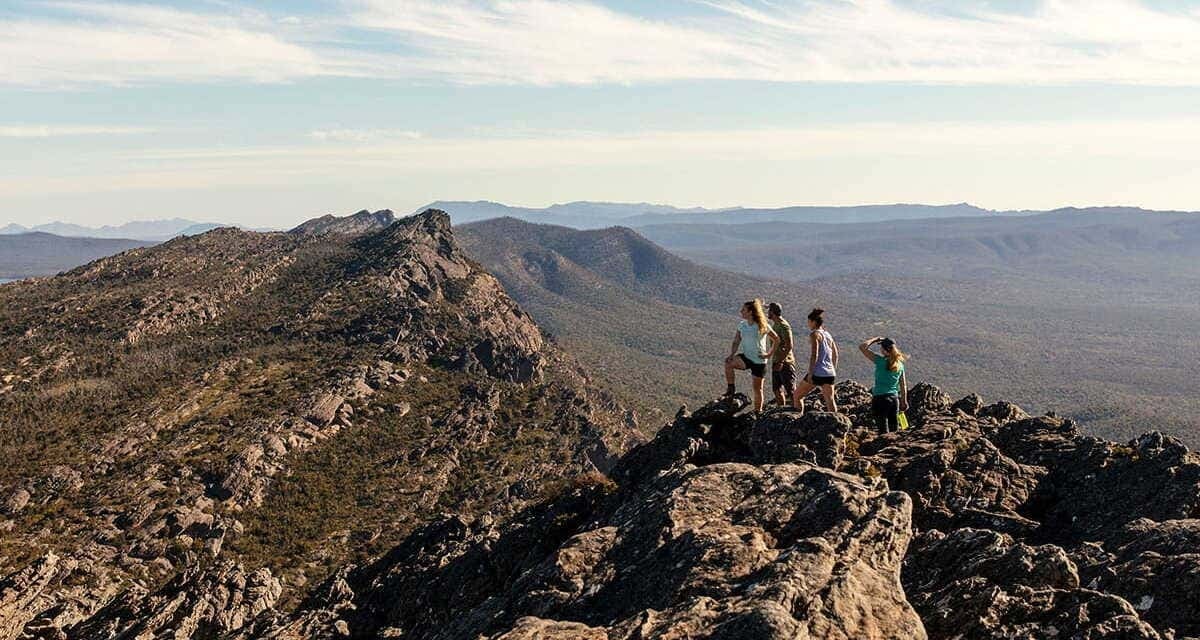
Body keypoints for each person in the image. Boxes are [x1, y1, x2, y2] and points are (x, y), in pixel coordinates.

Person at [723, 299, 779, 413]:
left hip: (759, 361)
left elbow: (776, 339)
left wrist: (769, 354)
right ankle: (731, 388)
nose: (741, 311)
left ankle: (758, 412)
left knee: (757, 389)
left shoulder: (762, 325)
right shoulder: (742, 325)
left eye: (743, 310)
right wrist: (732, 354)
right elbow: (736, 340)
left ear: (750, 312)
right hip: (746, 357)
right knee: (728, 364)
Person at [793, 308, 838, 414]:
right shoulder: (828, 335)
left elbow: (815, 355)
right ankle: (836, 420)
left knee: (797, 396)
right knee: (830, 400)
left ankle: (797, 418)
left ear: (813, 322)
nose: (808, 324)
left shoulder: (814, 334)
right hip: (829, 373)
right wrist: (833, 369)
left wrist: (810, 373)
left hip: (817, 372)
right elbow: (835, 354)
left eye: (809, 322)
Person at [859, 336, 908, 433]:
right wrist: (904, 401)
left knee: (883, 430)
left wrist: (875, 339)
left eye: (881, 347)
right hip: (894, 399)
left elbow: (862, 347)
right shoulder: (900, 365)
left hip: (880, 399)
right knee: (894, 430)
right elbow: (903, 385)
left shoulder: (880, 361)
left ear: (884, 350)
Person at [766, 302, 795, 407]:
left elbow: (789, 345)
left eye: (769, 311)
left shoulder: (783, 326)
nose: (767, 313)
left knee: (790, 390)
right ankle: (780, 410)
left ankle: (797, 410)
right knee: (776, 389)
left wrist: (781, 361)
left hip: (785, 362)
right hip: (776, 361)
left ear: (772, 312)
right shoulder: (775, 324)